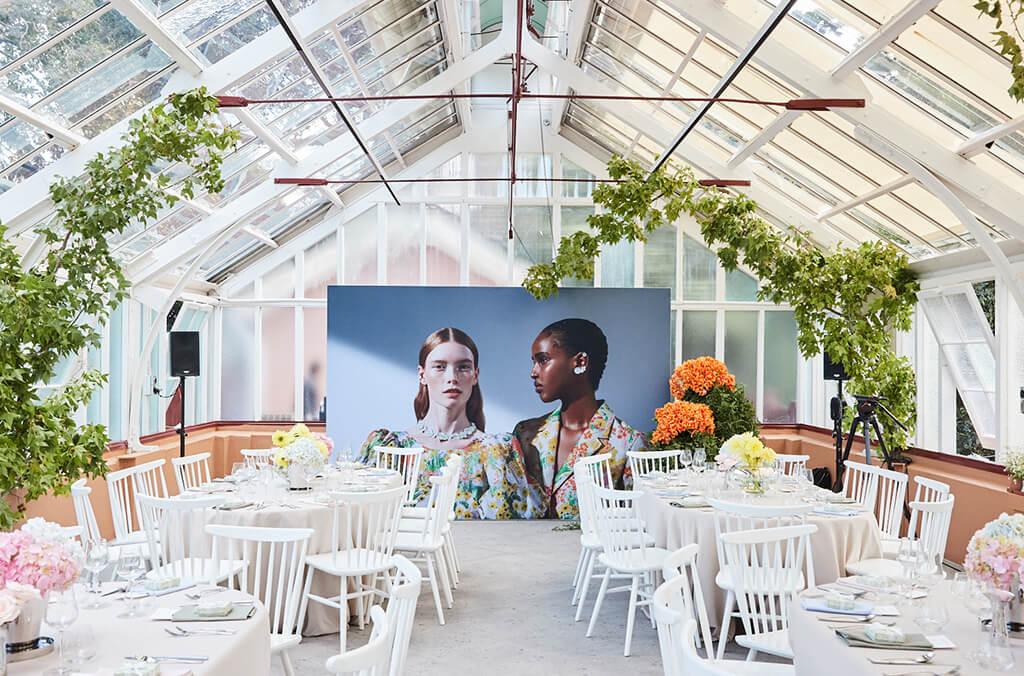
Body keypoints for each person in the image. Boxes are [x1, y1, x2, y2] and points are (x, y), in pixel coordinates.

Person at [358, 327, 533, 519]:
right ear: (422, 374)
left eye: (463, 367)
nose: (452, 378)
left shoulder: (499, 452)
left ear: (475, 375)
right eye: (440, 366)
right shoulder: (389, 448)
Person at [512, 318, 645, 520]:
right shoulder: (526, 434)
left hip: (593, 550)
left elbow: (637, 522)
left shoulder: (627, 444)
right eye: (534, 361)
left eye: (543, 360)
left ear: (580, 362)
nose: (534, 372)